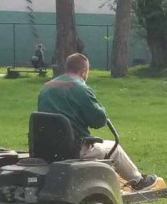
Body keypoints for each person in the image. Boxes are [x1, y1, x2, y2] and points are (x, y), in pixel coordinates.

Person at [37, 53, 157, 190]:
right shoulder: (80, 88)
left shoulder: (47, 87)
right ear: (84, 72)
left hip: (47, 149)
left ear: (67, 68)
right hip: (74, 150)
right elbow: (98, 120)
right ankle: (139, 181)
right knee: (115, 149)